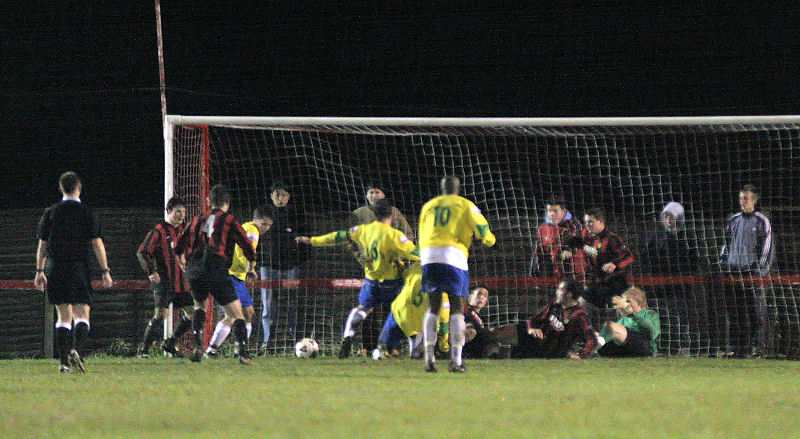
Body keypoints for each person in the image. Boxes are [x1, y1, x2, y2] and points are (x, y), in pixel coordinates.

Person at [296, 199, 419, 358]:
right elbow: (417, 254)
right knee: (406, 312)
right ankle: (413, 351)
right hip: (392, 283)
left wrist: (312, 240)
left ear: (374, 214)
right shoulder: (396, 236)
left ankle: (348, 337)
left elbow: (338, 236)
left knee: (363, 309)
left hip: (371, 282)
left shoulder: (361, 230)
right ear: (392, 215)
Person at [34, 171, 114, 372]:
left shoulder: (50, 212)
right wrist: (105, 270)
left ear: (61, 189)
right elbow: (97, 244)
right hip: (78, 267)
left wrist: (39, 270)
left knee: (63, 316)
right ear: (79, 188)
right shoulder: (88, 213)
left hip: (56, 267)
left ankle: (63, 364)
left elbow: (42, 245)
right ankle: (76, 351)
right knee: (82, 313)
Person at [418, 176, 496, 373]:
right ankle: (456, 359)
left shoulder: (429, 205)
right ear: (458, 189)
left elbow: (421, 231)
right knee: (457, 307)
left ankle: (429, 356)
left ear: (442, 188)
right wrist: (489, 240)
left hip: (428, 256)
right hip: (453, 256)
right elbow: (482, 228)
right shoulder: (465, 204)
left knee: (433, 306)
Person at [174, 184, 257, 365]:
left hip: (194, 268)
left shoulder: (196, 219)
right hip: (216, 266)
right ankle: (242, 353)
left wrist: (183, 263)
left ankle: (197, 346)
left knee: (199, 307)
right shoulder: (229, 220)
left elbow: (178, 245)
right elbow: (247, 245)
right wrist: (251, 266)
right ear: (227, 202)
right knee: (237, 314)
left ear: (209, 201)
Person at [348, 183, 415, 354]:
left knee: (392, 308)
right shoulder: (358, 214)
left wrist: (399, 256)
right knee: (367, 307)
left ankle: (390, 346)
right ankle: (366, 346)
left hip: (392, 269)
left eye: (376, 192)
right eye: (370, 192)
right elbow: (350, 241)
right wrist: (360, 258)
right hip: (367, 268)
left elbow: (407, 235)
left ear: (384, 195)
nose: (373, 196)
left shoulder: (394, 213)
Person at [206, 207, 273, 357]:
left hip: (237, 277)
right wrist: (250, 268)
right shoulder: (252, 230)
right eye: (264, 224)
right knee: (233, 315)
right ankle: (211, 350)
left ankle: (239, 350)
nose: (266, 228)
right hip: (232, 275)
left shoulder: (248, 228)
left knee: (248, 313)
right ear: (256, 220)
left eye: (269, 225)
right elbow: (246, 250)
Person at [718, 184, 774, 357]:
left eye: (746, 198)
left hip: (752, 273)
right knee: (736, 312)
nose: (743, 201)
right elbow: (726, 244)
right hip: (734, 272)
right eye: (741, 198)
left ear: (754, 200)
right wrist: (723, 262)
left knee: (755, 311)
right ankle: (738, 347)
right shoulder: (733, 220)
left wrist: (760, 270)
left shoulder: (761, 220)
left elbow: (767, 246)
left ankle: (756, 347)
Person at [135, 196, 194, 358]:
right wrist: (151, 271)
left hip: (182, 283)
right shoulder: (159, 230)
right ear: (168, 211)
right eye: (178, 212)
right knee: (160, 316)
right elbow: (142, 251)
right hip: (164, 283)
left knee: (192, 313)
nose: (182, 215)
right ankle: (144, 351)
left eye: (183, 212)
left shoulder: (184, 231)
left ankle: (170, 343)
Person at [641, 201, 698, 356]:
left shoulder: (686, 237)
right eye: (665, 216)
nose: (667, 219)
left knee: (679, 317)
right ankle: (663, 347)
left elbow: (693, 260)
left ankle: (683, 346)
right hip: (659, 286)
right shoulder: (656, 236)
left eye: (671, 216)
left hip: (679, 286)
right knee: (663, 318)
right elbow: (646, 257)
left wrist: (682, 274)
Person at [259, 181, 308, 353]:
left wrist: (301, 260)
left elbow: (306, 237)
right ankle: (268, 342)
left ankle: (295, 340)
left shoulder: (296, 214)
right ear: (271, 195)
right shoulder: (263, 213)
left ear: (289, 196)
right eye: (276, 194)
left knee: (293, 302)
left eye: (283, 194)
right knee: (268, 304)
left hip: (291, 266)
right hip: (268, 265)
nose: (279, 197)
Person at [566, 208, 634, 310]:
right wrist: (569, 249)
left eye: (591, 222)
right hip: (598, 282)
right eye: (586, 222)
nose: (588, 225)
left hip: (614, 284)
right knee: (580, 305)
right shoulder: (586, 235)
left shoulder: (612, 239)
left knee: (622, 312)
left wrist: (615, 264)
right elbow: (575, 242)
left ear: (600, 222)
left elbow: (629, 256)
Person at [513, 279, 596, 359]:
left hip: (556, 354)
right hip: (539, 346)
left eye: (560, 290)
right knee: (518, 328)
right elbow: (534, 319)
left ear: (569, 294)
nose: (557, 292)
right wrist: (532, 328)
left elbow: (592, 339)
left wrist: (581, 356)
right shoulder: (554, 306)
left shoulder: (579, 315)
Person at [596, 286, 661, 357]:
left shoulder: (649, 314)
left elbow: (652, 333)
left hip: (645, 347)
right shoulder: (625, 320)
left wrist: (632, 312)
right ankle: (593, 350)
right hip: (626, 349)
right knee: (594, 334)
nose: (624, 304)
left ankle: (594, 349)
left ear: (638, 303)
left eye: (628, 301)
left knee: (611, 326)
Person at [533, 197, 586, 281]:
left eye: (555, 211)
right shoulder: (542, 229)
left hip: (573, 273)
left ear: (563, 211)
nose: (552, 214)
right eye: (549, 211)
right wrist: (535, 270)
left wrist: (568, 250)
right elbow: (538, 251)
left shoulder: (574, 225)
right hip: (553, 273)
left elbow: (576, 241)